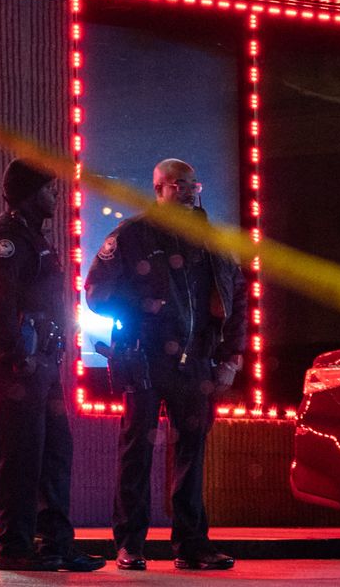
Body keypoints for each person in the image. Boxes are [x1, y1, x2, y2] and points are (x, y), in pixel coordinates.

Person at [86, 158, 248, 572]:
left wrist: (232, 355)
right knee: (137, 449)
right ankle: (129, 544)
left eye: (194, 184)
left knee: (191, 452)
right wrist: (141, 305)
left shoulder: (214, 241)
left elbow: (238, 298)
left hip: (197, 361)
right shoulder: (133, 235)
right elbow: (95, 293)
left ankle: (191, 545)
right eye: (180, 184)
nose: (191, 191)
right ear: (160, 188)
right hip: (143, 356)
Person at [0, 158, 105, 573]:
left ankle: (54, 544)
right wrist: (20, 360)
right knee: (22, 455)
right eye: (49, 189)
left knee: (54, 453)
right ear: (32, 195)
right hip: (21, 365)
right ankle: (14, 545)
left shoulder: (33, 236)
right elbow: (0, 308)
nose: (56, 195)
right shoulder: (8, 241)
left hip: (42, 362)